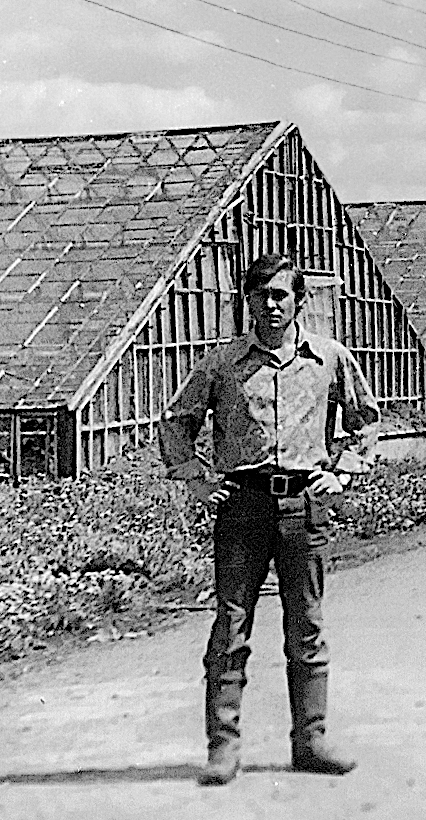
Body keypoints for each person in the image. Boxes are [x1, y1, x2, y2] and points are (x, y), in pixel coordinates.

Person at [159, 253, 381, 786]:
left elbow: (366, 418)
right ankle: (223, 748)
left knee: (306, 624)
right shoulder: (222, 364)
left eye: (282, 294)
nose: (272, 304)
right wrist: (197, 478)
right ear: (248, 301)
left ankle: (312, 742)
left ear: (299, 301)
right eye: (261, 295)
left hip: (304, 506)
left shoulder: (328, 358)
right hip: (244, 506)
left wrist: (343, 471)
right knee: (232, 623)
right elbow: (176, 421)